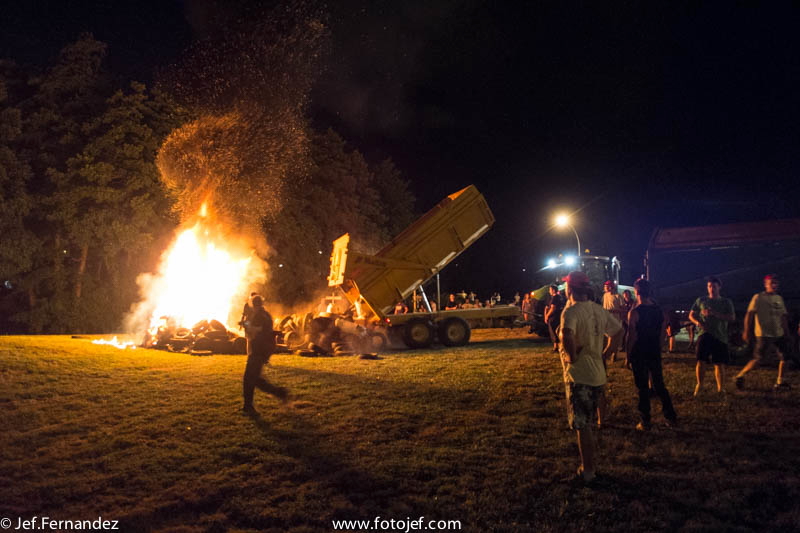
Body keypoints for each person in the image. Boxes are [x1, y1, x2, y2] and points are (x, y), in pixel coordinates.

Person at [559, 271, 623, 484]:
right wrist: (605, 354)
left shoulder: (572, 312)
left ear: (571, 289)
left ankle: (588, 471)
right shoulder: (597, 310)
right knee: (589, 423)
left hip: (580, 376)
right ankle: (589, 465)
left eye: (567, 285)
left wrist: (571, 356)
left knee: (582, 425)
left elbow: (566, 334)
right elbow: (618, 331)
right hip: (597, 375)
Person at [626, 279, 677, 430]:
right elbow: (663, 332)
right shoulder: (659, 311)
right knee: (659, 384)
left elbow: (631, 336)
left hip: (639, 352)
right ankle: (670, 416)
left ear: (636, 292)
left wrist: (628, 356)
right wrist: (659, 347)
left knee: (642, 387)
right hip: (654, 351)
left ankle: (645, 420)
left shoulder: (634, 312)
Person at [735, 274, 792, 391]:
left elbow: (783, 316)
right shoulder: (758, 297)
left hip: (778, 334)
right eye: (771, 283)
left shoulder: (778, 299)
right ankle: (740, 376)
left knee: (785, 357)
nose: (774, 285)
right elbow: (749, 314)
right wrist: (746, 331)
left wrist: (786, 332)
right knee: (759, 359)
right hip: (764, 334)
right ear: (766, 284)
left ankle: (780, 382)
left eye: (776, 283)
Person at [689, 277, 735, 396]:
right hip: (704, 334)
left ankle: (721, 389)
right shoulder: (701, 300)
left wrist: (715, 314)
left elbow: (731, 317)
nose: (711, 289)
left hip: (720, 336)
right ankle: (700, 385)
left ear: (719, 287)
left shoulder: (726, 302)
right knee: (701, 360)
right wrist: (698, 322)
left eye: (714, 286)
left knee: (719, 363)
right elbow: (691, 315)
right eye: (709, 286)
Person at [242, 295, 288, 414]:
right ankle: (249, 405)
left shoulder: (260, 316)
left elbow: (256, 329)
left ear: (253, 304)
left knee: (250, 378)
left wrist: (245, 324)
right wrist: (246, 323)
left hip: (259, 350)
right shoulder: (265, 314)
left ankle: (279, 393)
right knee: (254, 378)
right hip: (262, 349)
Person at [602, 281, 625, 361]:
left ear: (610, 287)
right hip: (607, 320)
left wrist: (612, 311)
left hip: (616, 320)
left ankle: (613, 354)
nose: (604, 287)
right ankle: (609, 354)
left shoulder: (618, 296)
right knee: (608, 337)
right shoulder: (605, 296)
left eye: (606, 286)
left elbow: (623, 310)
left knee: (614, 338)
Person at [544, 284, 565, 352]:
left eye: (550, 289)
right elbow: (547, 307)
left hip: (554, 317)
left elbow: (553, 308)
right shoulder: (559, 297)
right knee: (557, 331)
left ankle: (556, 347)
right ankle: (557, 346)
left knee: (554, 331)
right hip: (558, 316)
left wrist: (547, 316)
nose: (549, 291)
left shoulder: (555, 297)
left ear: (553, 290)